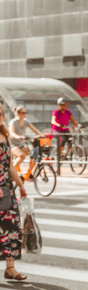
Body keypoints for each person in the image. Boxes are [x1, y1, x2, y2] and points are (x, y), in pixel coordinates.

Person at [0, 104, 28, 281]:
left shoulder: (5, 136)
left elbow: (10, 165)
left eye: (0, 113)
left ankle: (10, 268)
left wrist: (21, 185)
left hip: (7, 189)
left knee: (12, 228)